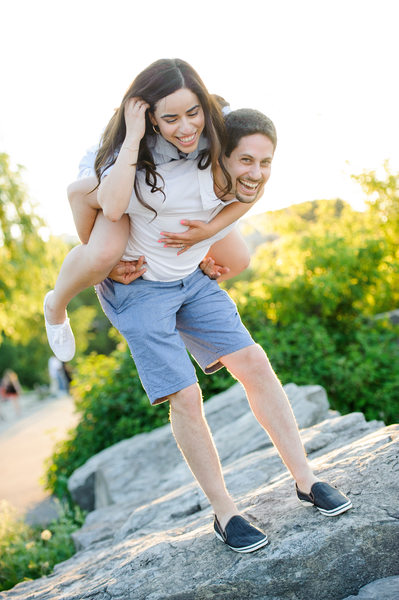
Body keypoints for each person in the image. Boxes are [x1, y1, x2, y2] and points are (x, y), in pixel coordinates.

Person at [93, 105, 352, 553]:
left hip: (190, 278)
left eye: (265, 162)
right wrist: (103, 260)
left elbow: (231, 219)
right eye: (246, 161)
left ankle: (307, 480)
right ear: (218, 156)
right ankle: (225, 512)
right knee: (186, 394)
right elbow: (90, 199)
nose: (255, 172)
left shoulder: (242, 184)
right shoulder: (164, 172)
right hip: (137, 288)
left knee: (253, 359)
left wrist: (204, 242)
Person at [44, 59, 254, 363]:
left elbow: (254, 184)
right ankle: (56, 306)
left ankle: (179, 298)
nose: (186, 128)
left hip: (176, 196)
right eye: (171, 118)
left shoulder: (225, 123)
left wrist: (207, 235)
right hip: (119, 187)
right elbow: (113, 208)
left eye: (193, 113)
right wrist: (132, 136)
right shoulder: (128, 143)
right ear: (152, 119)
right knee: (103, 253)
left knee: (238, 259)